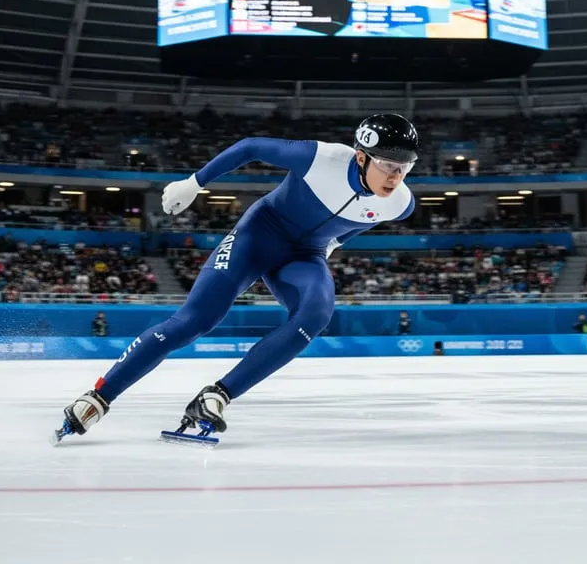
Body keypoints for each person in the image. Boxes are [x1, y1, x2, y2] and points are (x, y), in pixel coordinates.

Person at [57, 114, 418, 441]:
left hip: (304, 256)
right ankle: (97, 398)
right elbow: (250, 147)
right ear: (361, 156)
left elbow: (367, 219)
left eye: (405, 167)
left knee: (316, 315)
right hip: (258, 237)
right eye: (387, 164)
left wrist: (335, 241)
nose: (395, 176)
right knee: (195, 321)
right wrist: (194, 183)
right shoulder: (321, 158)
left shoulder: (400, 203)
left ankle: (217, 395)